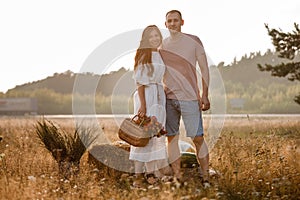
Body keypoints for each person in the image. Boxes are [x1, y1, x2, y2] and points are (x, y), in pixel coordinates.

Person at [159, 10, 211, 188]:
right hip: (169, 99)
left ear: (182, 22)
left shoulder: (194, 41)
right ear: (165, 24)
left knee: (197, 138)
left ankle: (206, 178)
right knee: (171, 138)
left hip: (190, 98)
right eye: (169, 21)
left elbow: (204, 69)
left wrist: (205, 94)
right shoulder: (161, 45)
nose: (172, 23)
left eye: (175, 20)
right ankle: (178, 178)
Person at [129, 25, 170, 186]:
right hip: (146, 95)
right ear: (146, 39)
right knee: (144, 134)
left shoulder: (159, 54)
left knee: (155, 135)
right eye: (151, 36)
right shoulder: (143, 55)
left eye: (157, 36)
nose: (155, 39)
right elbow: (139, 82)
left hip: (159, 95)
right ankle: (138, 175)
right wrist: (143, 106)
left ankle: (150, 173)